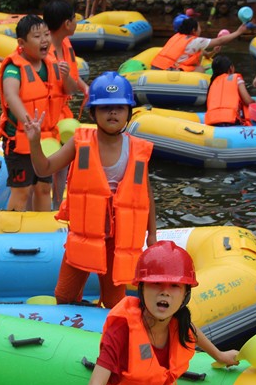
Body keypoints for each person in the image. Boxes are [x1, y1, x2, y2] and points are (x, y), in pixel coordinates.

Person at [80, 241, 240, 385]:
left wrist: (220, 355)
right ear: (142, 288)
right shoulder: (123, 330)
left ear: (185, 295)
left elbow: (192, 330)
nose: (165, 292)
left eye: (174, 286)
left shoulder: (178, 322)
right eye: (156, 284)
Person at [25, 71, 157, 308]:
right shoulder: (80, 142)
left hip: (118, 241)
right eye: (105, 108)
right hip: (83, 236)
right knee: (64, 296)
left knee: (115, 302)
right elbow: (44, 168)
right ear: (93, 113)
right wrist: (34, 142)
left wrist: (153, 235)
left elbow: (145, 197)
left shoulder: (137, 150)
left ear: (128, 112)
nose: (113, 113)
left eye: (119, 108)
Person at [0, 14, 76, 212]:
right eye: (37, 36)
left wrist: (66, 76)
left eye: (46, 35)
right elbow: (11, 95)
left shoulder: (52, 63)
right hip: (20, 140)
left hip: (45, 140)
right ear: (21, 43)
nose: (44, 40)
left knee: (43, 188)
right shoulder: (13, 68)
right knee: (22, 191)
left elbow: (69, 91)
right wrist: (28, 122)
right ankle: (13, 227)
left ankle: (42, 226)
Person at [44, 0, 89, 208]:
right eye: (74, 19)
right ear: (66, 23)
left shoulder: (65, 45)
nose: (76, 22)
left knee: (63, 163)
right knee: (47, 165)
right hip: (44, 115)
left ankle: (56, 202)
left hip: (61, 111)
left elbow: (70, 81)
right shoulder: (41, 49)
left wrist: (84, 87)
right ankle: (42, 206)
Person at [150, 17, 249, 72]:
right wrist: (238, 32)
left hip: (154, 67)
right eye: (199, 27)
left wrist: (214, 51)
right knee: (200, 69)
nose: (200, 29)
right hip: (167, 71)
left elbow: (204, 54)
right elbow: (220, 41)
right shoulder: (196, 41)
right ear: (194, 30)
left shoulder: (176, 36)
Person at [206, 55, 254, 126]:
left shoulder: (213, 82)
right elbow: (248, 101)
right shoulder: (236, 78)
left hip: (212, 121)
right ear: (231, 68)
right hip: (230, 121)